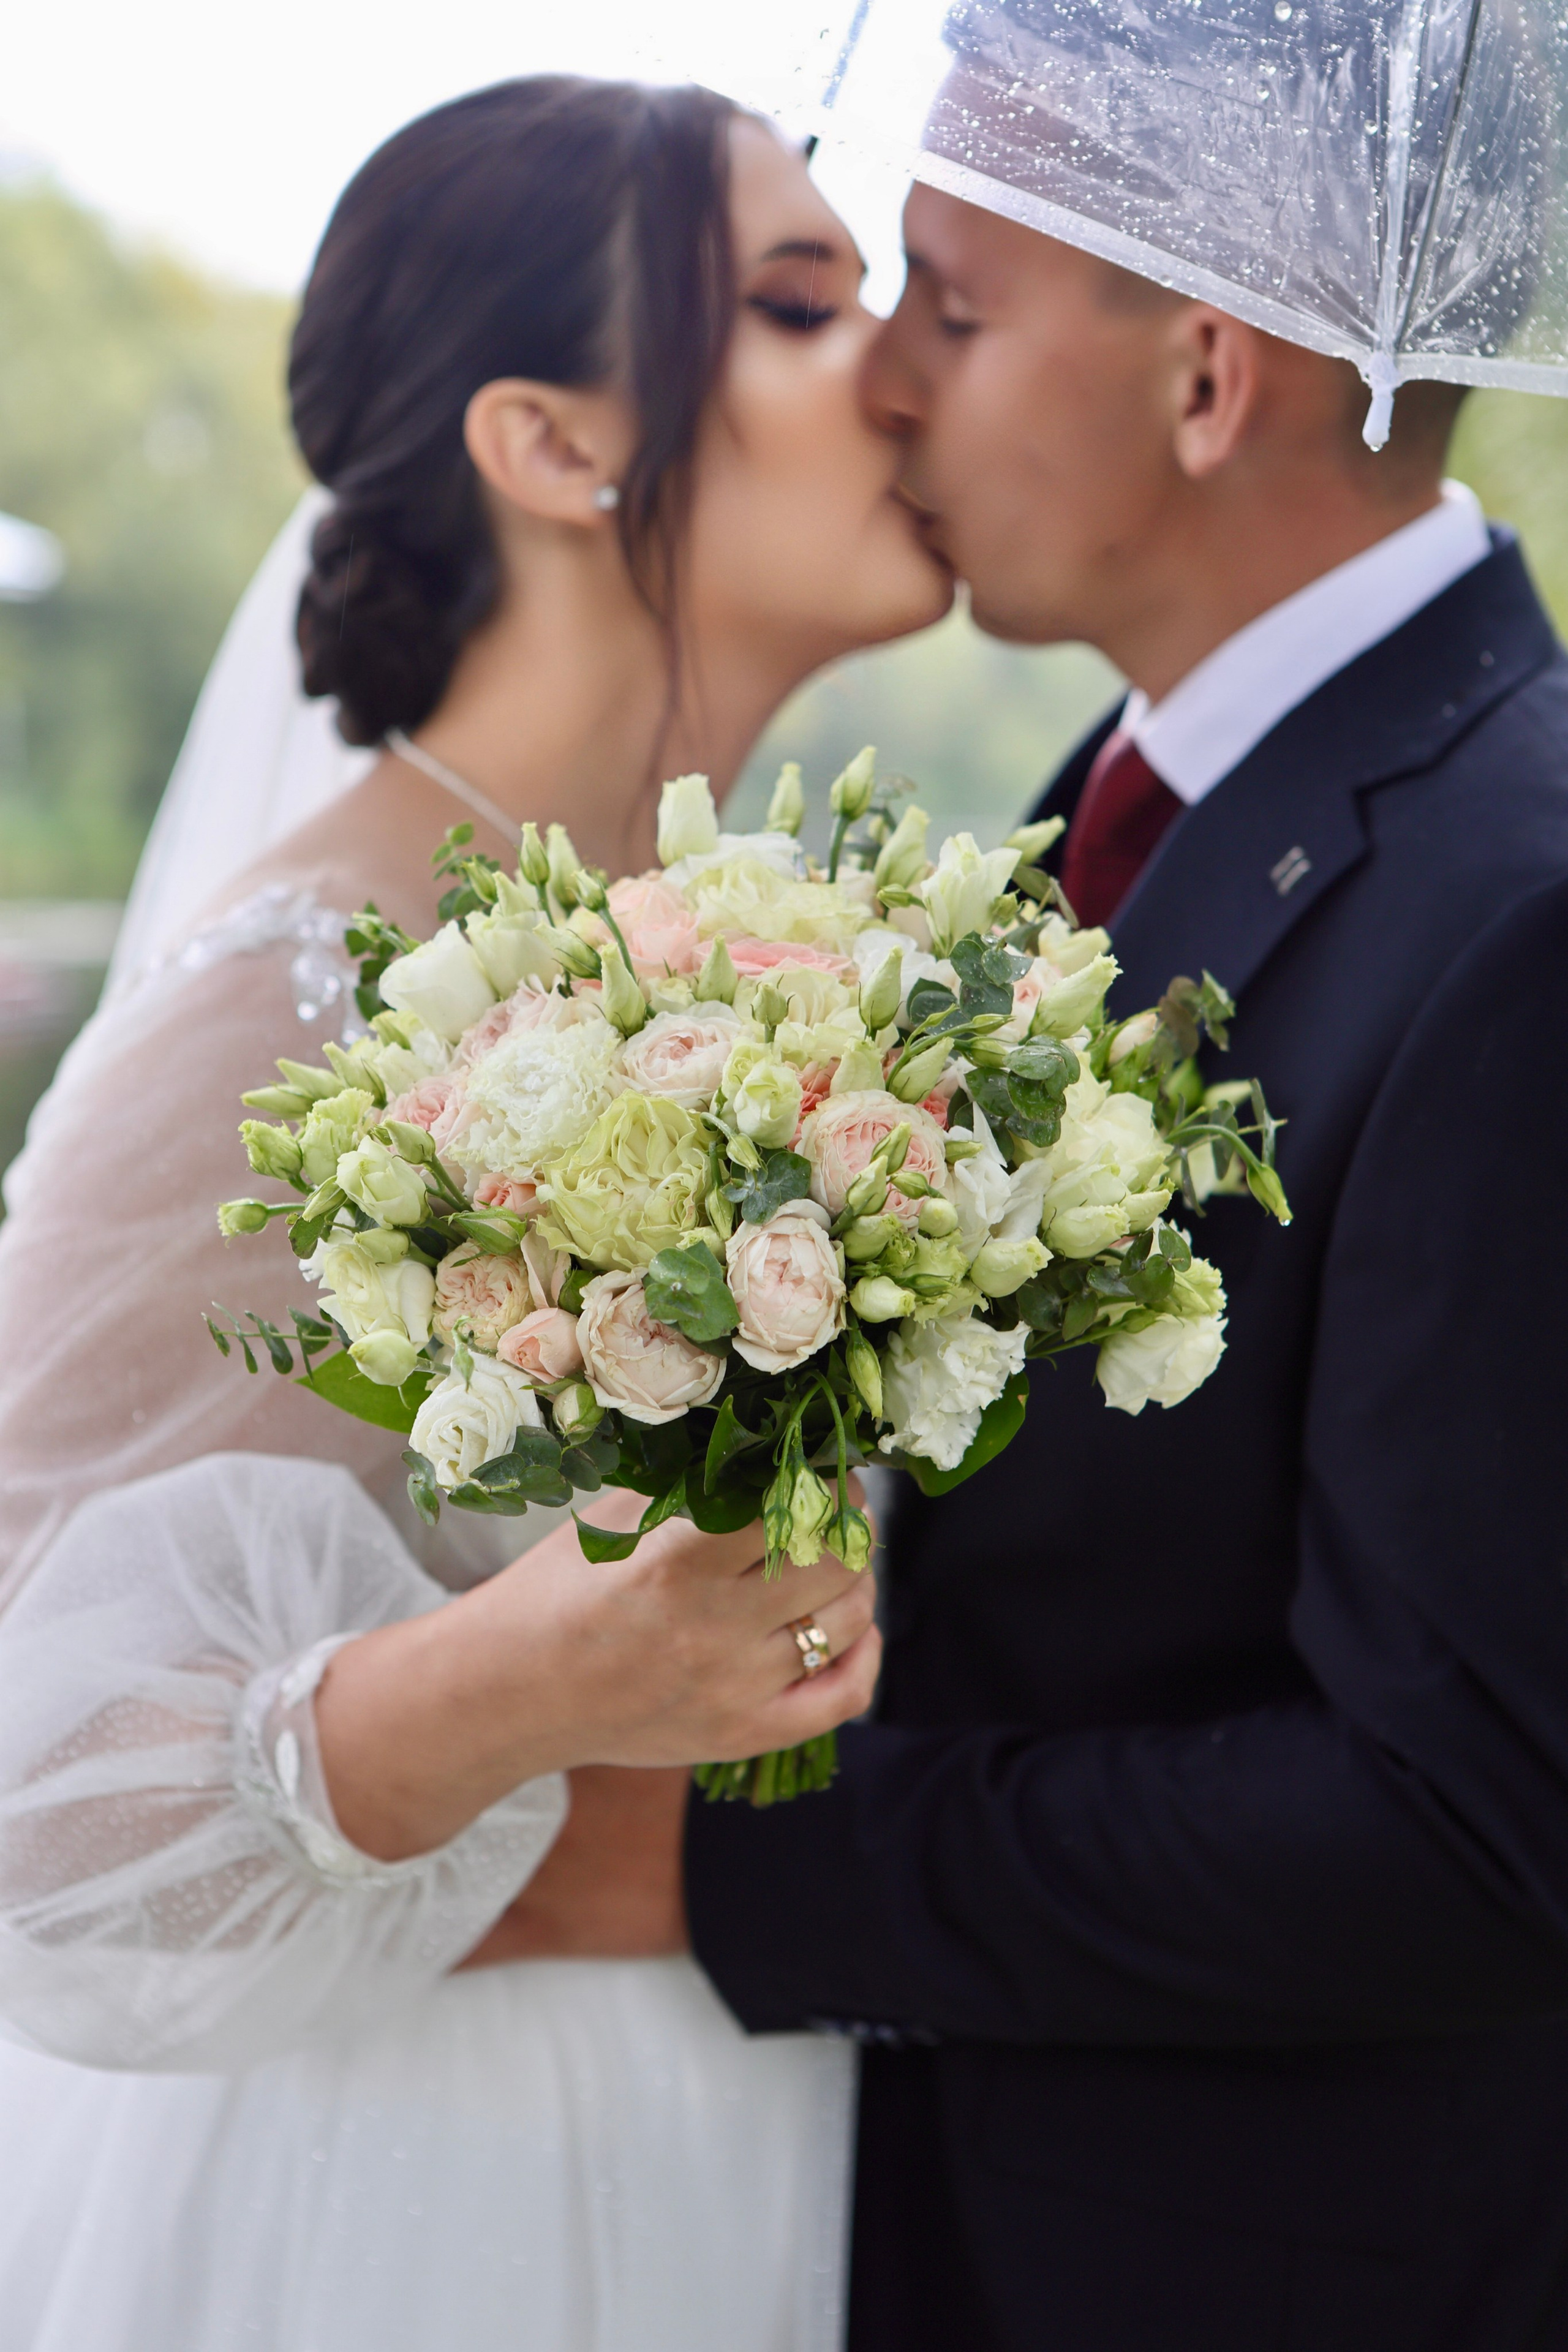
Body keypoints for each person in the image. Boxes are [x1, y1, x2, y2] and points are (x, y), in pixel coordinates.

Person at [513, 83, 1568, 2352]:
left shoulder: (1525, 903)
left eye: (952, 308)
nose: (881, 373)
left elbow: (1470, 1831)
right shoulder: (1113, 800)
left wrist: (721, 1866)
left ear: (1209, 376)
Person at [0, 76, 952, 2352]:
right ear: (552, 443)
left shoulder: (770, 963)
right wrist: (507, 1686)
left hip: (753, 2131)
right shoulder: (289, 996)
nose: (905, 361)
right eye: (805, 303)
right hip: (420, 2196)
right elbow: (40, 1791)